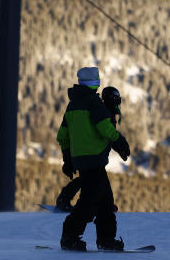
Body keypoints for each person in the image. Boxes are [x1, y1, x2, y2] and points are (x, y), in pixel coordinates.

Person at [56, 67, 130, 252]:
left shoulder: (72, 106)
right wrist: (120, 141)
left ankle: (106, 239)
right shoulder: (93, 103)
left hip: (82, 160)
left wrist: (68, 159)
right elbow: (104, 128)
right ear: (95, 82)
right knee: (89, 201)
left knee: (105, 200)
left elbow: (62, 135)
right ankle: (70, 237)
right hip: (94, 159)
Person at [55, 86, 122, 212]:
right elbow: (104, 132)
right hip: (91, 152)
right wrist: (119, 142)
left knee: (95, 178)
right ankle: (65, 199)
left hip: (92, 152)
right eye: (116, 98)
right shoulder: (103, 111)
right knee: (91, 178)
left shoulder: (105, 110)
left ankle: (105, 204)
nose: (118, 101)